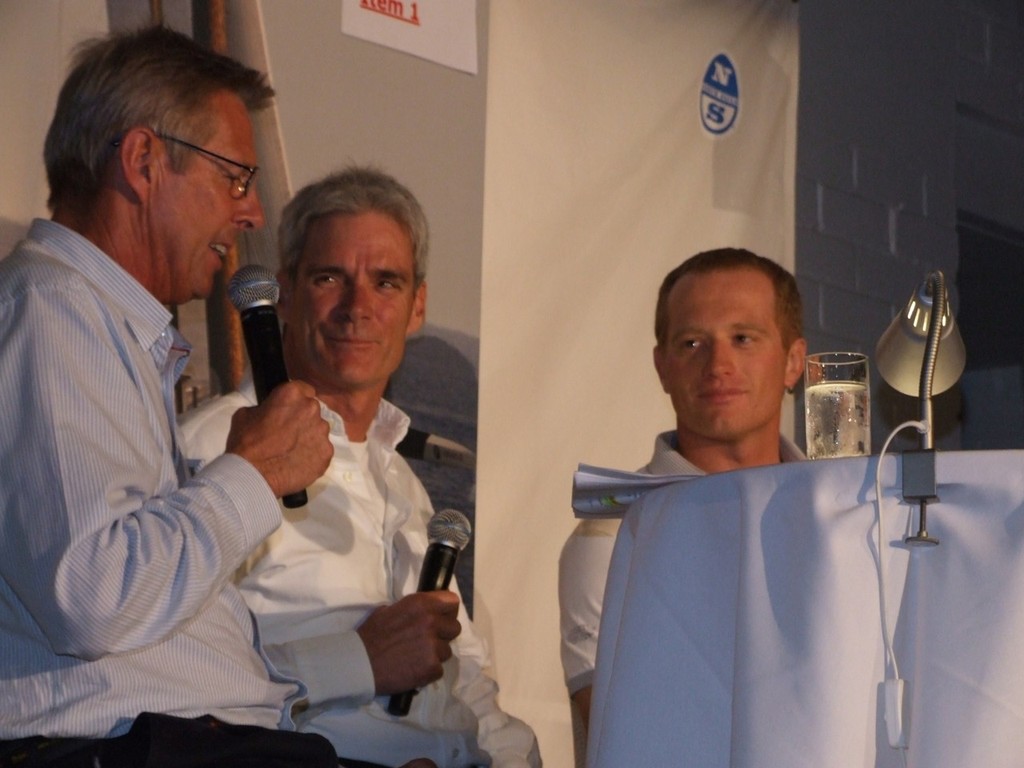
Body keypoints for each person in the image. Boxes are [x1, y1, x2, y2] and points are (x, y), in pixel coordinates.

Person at [0, 25, 441, 768]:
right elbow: (93, 597)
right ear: (142, 160)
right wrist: (254, 473)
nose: (251, 214)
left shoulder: (98, 329)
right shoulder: (52, 310)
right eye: (234, 177)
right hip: (127, 748)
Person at [181, 167, 541, 768]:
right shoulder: (214, 446)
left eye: (387, 282)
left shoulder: (401, 479)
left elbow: (467, 682)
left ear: (418, 306)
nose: (358, 308)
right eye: (330, 278)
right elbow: (163, 679)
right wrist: (354, 659)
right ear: (286, 293)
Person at [558, 248, 807, 758]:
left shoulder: (840, 522)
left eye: (743, 338)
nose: (717, 364)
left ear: (793, 362)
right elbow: (629, 736)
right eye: (691, 342)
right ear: (662, 367)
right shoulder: (612, 535)